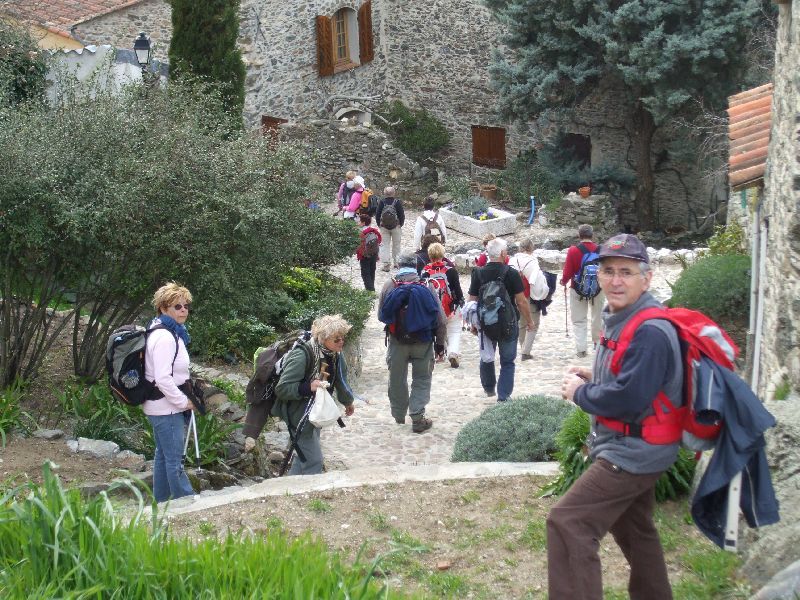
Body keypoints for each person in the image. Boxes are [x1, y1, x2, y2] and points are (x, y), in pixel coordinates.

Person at [551, 233, 683, 600]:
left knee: (568, 522)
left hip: (632, 451)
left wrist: (580, 393)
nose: (615, 280)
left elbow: (630, 399)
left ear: (647, 278)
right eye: (608, 271)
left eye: (626, 272)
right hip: (639, 445)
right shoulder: (625, 317)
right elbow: (637, 380)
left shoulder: (650, 331)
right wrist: (595, 375)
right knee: (634, 529)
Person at [273, 314, 356, 475]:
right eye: (336, 339)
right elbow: (282, 388)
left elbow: (341, 380)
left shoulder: (335, 354)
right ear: (323, 339)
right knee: (313, 461)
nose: (341, 342)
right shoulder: (303, 355)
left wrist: (348, 401)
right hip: (298, 413)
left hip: (315, 411)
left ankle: (289, 486)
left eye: (342, 338)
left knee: (303, 457)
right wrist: (308, 387)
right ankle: (310, 490)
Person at [378, 254, 447, 432]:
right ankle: (417, 417)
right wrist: (440, 345)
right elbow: (440, 319)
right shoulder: (427, 285)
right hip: (423, 341)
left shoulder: (389, 285)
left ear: (399, 265)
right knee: (422, 378)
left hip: (397, 341)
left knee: (397, 378)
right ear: (416, 266)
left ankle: (399, 414)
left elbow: (381, 315)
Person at [143, 282, 197, 503]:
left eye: (186, 306)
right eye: (177, 306)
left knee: (163, 456)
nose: (183, 310)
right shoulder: (165, 337)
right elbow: (163, 378)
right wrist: (183, 401)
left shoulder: (164, 331)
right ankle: (187, 503)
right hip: (167, 408)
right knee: (175, 459)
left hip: (159, 406)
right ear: (163, 308)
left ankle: (162, 502)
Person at [467, 238, 535, 401]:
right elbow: (521, 301)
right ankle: (503, 396)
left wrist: (473, 323)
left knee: (486, 355)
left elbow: (472, 301)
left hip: (486, 322)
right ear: (503, 253)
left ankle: (489, 387)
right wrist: (529, 321)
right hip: (508, 322)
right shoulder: (511, 273)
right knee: (508, 361)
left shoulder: (478, 273)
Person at [561, 224, 605, 357]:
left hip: (577, 289)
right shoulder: (601, 249)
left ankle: (581, 350)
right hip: (598, 288)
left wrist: (563, 281)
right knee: (597, 317)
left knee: (579, 320)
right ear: (592, 235)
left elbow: (568, 272)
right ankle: (597, 344)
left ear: (579, 235)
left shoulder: (573, 250)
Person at [421, 242, 464, 368]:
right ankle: (453, 352)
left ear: (429, 255)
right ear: (442, 254)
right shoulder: (451, 271)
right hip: (450, 307)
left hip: (433, 309)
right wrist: (460, 303)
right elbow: (458, 291)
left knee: (437, 329)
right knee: (454, 330)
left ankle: (438, 353)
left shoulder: (425, 272)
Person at [508, 238, 549, 361]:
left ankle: (522, 347)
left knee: (521, 323)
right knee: (533, 322)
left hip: (515, 295)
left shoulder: (512, 260)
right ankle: (526, 351)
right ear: (531, 248)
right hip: (529, 295)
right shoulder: (533, 261)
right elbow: (538, 281)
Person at [376, 186, 405, 271]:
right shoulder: (397, 202)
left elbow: (377, 214)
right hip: (396, 226)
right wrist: (401, 224)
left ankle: (386, 265)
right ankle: (396, 263)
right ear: (394, 193)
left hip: (384, 227)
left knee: (384, 245)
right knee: (396, 245)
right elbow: (402, 215)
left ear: (384, 193)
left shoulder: (382, 202)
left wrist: (379, 224)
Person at [356, 213, 382, 291]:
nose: (357, 222)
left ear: (363, 223)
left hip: (364, 255)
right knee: (372, 272)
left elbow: (358, 245)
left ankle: (370, 290)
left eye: (359, 221)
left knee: (365, 273)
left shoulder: (360, 232)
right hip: (374, 253)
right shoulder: (373, 230)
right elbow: (379, 240)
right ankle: (371, 287)